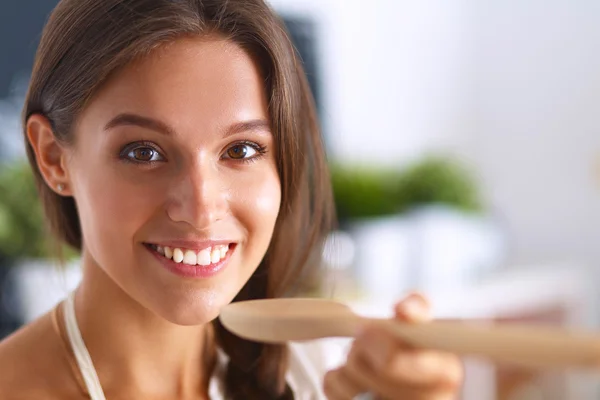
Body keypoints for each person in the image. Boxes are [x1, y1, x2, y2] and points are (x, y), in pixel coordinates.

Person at [0, 0, 463, 399]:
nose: (202, 208)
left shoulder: (322, 374)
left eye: (241, 150)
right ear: (54, 157)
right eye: (144, 152)